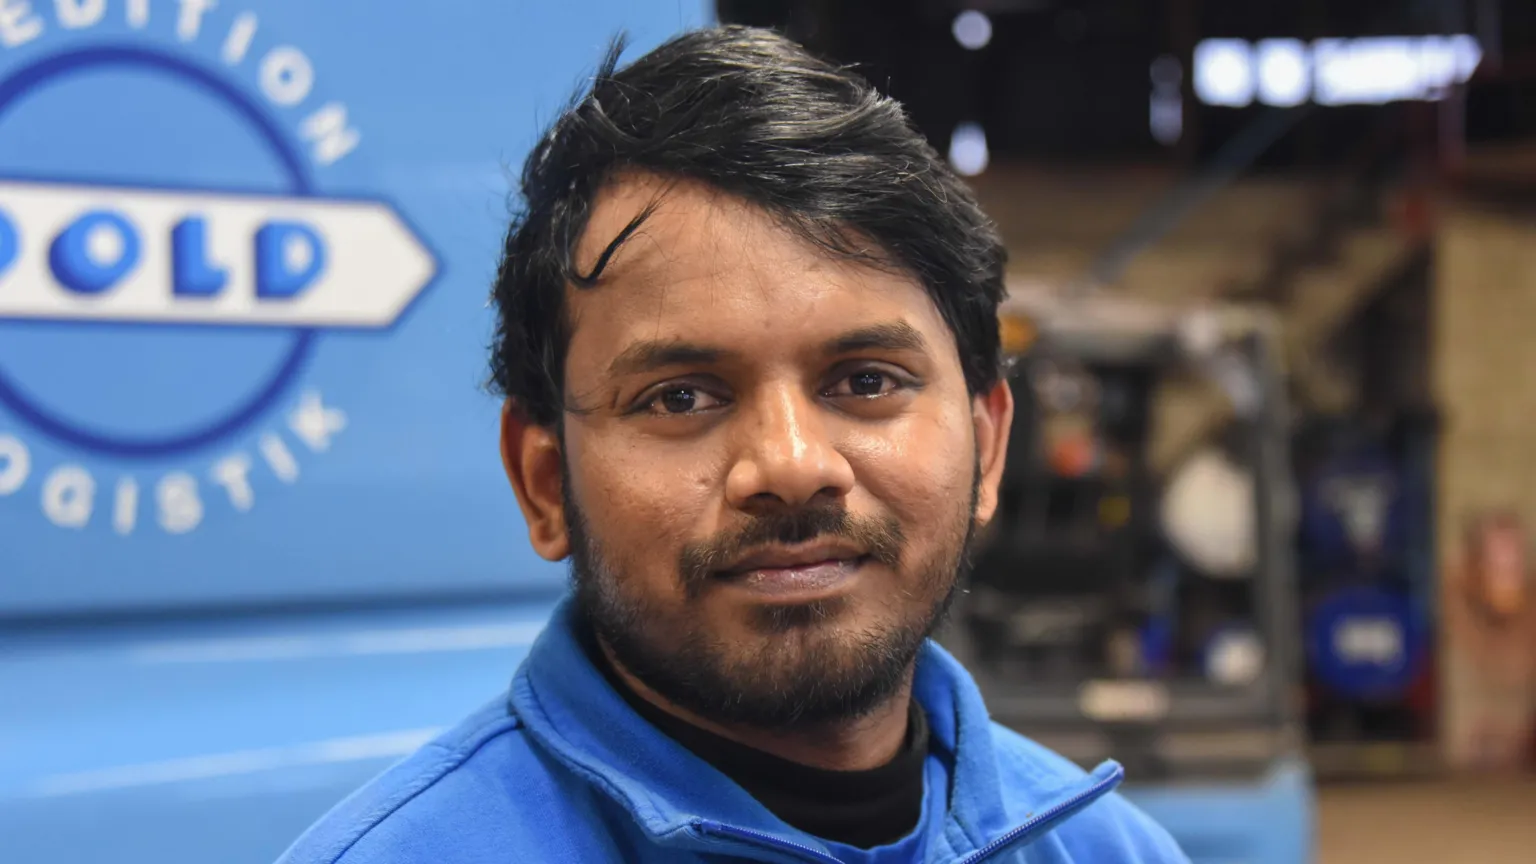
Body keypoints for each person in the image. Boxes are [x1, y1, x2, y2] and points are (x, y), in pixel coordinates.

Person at [277, 26, 1189, 864]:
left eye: (866, 382)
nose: (791, 465)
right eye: (680, 397)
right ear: (545, 483)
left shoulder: (1110, 851)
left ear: (987, 447)